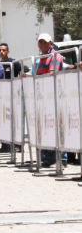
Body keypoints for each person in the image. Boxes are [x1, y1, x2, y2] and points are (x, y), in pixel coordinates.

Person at [35, 33, 67, 167]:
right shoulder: (41, 58)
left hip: (53, 97)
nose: (42, 45)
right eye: (40, 42)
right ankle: (48, 157)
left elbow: (52, 73)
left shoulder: (55, 56)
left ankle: (61, 158)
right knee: (47, 128)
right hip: (44, 97)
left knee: (56, 127)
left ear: (51, 43)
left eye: (44, 42)